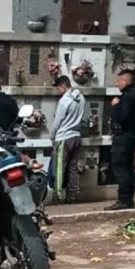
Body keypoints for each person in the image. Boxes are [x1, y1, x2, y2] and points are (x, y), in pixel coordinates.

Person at [106, 69, 135, 211]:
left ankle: (123, 200)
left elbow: (122, 116)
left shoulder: (127, 96)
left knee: (120, 167)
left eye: (118, 81)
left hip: (123, 137)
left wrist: (115, 106)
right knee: (129, 167)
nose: (117, 84)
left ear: (125, 81)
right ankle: (129, 199)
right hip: (133, 135)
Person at [49, 76, 85, 204]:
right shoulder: (81, 98)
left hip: (63, 137)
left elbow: (57, 121)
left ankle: (58, 197)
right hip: (76, 136)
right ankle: (72, 195)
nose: (58, 91)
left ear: (64, 86)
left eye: (58, 89)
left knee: (59, 168)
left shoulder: (64, 100)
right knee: (73, 167)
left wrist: (52, 136)